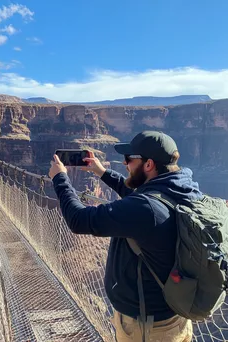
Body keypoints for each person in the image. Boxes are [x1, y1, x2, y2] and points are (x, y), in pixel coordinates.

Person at [49, 131, 197, 342]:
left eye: (129, 159)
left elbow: (79, 220)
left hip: (147, 328)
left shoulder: (145, 210)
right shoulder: (182, 188)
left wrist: (60, 178)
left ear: (149, 165)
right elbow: (144, 198)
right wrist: (102, 172)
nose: (125, 163)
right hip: (175, 317)